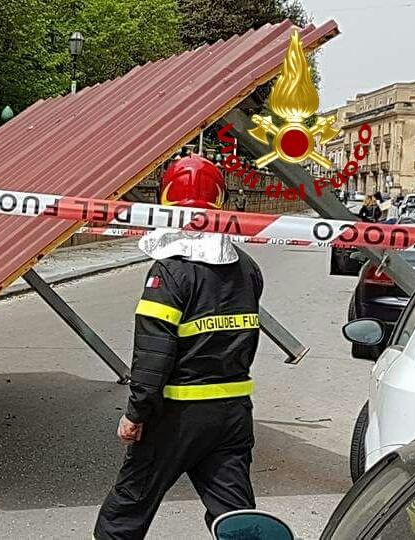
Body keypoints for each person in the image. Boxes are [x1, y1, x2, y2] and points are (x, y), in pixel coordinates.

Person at [94, 155, 264, 539]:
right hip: (233, 413)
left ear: (166, 201)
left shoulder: (170, 271)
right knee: (235, 515)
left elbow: (154, 352)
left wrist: (136, 413)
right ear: (220, 201)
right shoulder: (247, 266)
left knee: (126, 512)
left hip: (177, 413)